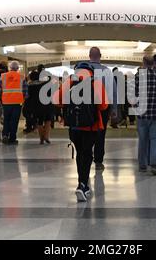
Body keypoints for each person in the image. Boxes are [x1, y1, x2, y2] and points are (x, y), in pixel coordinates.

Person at [53, 62, 108, 202]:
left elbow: (57, 101)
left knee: (80, 154)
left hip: (74, 126)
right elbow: (103, 106)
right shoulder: (95, 83)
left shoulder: (69, 82)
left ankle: (82, 183)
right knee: (88, 154)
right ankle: (82, 185)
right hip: (91, 126)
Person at [132, 56, 156, 175]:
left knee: (143, 140)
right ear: (153, 64)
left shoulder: (138, 78)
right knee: (155, 139)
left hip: (142, 114)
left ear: (143, 63)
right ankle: (154, 164)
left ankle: (142, 165)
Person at [87, 47, 117, 171]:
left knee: (86, 133)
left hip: (85, 108)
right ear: (100, 56)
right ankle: (98, 161)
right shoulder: (107, 71)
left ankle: (86, 158)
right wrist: (114, 109)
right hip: (102, 108)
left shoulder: (82, 70)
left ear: (89, 56)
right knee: (100, 134)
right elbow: (112, 92)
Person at [0, 60, 27, 145]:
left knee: (6, 119)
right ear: (17, 68)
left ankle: (5, 134)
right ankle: (12, 138)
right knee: (14, 121)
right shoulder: (21, 77)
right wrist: (23, 100)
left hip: (6, 102)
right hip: (17, 103)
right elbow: (25, 91)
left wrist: (0, 99)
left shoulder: (3, 76)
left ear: (9, 68)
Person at [27, 70, 54, 144]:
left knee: (39, 121)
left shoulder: (30, 86)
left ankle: (41, 138)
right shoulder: (45, 84)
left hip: (36, 106)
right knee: (48, 120)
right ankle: (46, 137)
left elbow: (28, 97)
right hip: (47, 104)